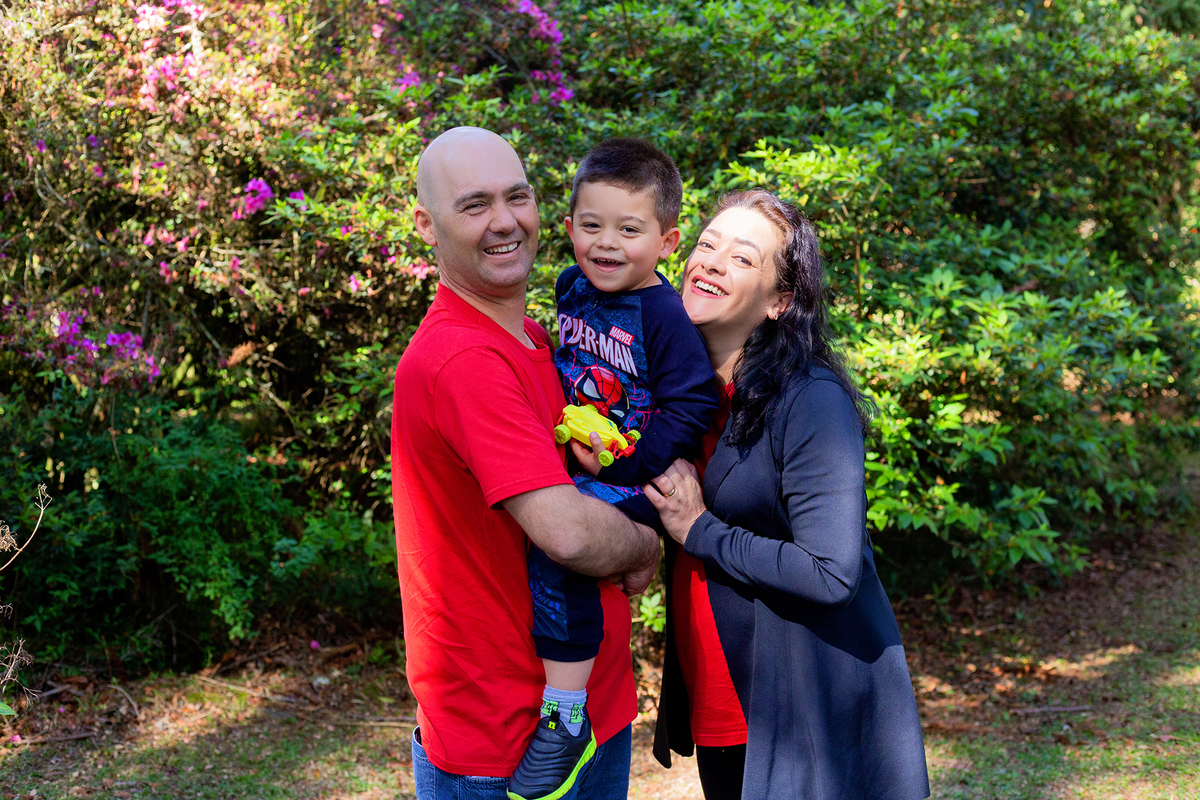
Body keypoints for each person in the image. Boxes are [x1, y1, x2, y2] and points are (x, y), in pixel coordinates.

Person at [391, 126, 660, 800]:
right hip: (506, 741)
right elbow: (566, 531)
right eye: (474, 204)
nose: (505, 221)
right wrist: (646, 543)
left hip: (590, 717)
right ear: (427, 224)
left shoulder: (536, 339)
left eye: (518, 196)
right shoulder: (465, 359)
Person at [645, 190, 931, 799]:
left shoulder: (810, 400)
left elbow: (830, 572)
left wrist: (701, 530)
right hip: (722, 695)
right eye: (706, 245)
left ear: (780, 301)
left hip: (801, 706)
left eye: (743, 258)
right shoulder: (682, 400)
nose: (712, 262)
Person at [512, 138, 718, 800]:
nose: (606, 244)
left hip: (632, 473)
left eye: (629, 230)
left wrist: (630, 461)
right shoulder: (573, 288)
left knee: (560, 551)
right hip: (583, 454)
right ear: (569, 228)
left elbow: (693, 403)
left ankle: (565, 716)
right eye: (591, 226)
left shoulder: (663, 315)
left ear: (666, 240)